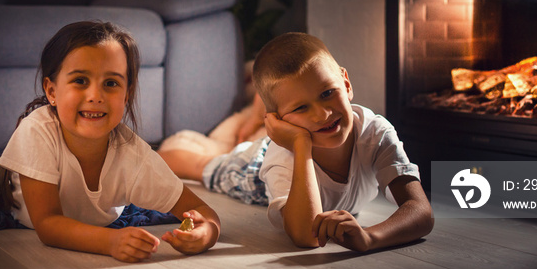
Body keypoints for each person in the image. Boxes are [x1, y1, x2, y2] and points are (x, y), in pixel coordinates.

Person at [0, 21, 220, 262]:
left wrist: (205, 234)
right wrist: (110, 242)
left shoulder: (135, 155)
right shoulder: (37, 130)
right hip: (11, 188)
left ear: (127, 94)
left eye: (111, 83)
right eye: (80, 80)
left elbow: (205, 212)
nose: (95, 95)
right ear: (51, 91)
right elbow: (47, 225)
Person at [158, 32, 433, 251]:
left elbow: (420, 211)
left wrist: (370, 237)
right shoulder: (284, 156)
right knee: (205, 166)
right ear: (278, 121)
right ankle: (162, 154)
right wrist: (300, 145)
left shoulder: (376, 132)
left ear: (346, 84)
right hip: (252, 172)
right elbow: (306, 236)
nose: (323, 114)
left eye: (327, 93)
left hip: (287, 142)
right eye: (301, 108)